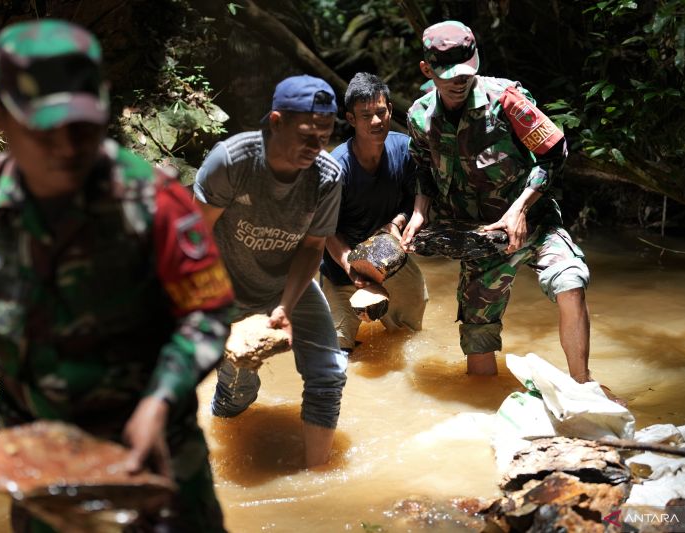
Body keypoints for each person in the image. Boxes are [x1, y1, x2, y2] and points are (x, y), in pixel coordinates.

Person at [0, 20, 235, 531]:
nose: (65, 146)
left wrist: (160, 401)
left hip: (155, 454)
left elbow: (207, 312)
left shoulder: (155, 202)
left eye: (80, 128)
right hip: (41, 467)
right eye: (44, 128)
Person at [402, 21, 624, 404]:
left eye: (466, 72)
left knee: (570, 279)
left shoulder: (506, 99)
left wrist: (521, 208)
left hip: (533, 223)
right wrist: (420, 213)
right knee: (477, 346)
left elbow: (554, 152)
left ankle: (583, 385)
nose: (459, 81)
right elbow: (422, 168)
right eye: (448, 75)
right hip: (479, 238)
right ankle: (487, 409)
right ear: (427, 70)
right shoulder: (421, 117)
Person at [194, 75, 348, 467]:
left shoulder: (327, 176)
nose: (317, 148)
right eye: (307, 136)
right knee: (238, 392)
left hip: (287, 283)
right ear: (276, 122)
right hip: (225, 285)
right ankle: (219, 452)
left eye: (325, 136)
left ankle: (319, 477)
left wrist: (285, 307)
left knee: (329, 374)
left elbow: (313, 248)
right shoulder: (232, 161)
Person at [320, 72, 428, 352]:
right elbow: (326, 232)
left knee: (409, 338)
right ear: (351, 119)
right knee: (338, 352)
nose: (376, 121)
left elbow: (414, 197)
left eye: (381, 112)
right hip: (341, 268)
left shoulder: (404, 149)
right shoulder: (336, 169)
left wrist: (399, 221)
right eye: (366, 115)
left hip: (390, 259)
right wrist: (352, 269)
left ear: (391, 110)